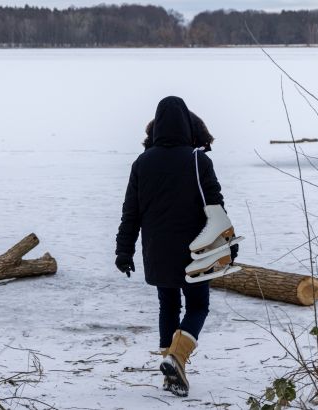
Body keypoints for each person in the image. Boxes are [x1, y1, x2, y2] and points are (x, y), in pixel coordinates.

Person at [115, 96, 237, 397]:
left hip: (156, 250)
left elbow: (131, 211)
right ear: (186, 123)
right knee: (198, 306)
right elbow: (215, 204)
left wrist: (124, 250)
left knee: (167, 305)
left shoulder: (142, 162)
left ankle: (171, 374)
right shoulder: (198, 160)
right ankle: (177, 358)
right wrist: (227, 240)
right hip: (195, 249)